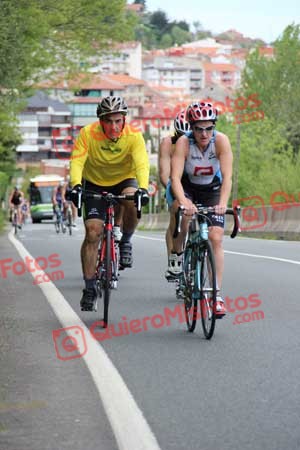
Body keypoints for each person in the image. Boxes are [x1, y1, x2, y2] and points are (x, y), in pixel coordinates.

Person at [70, 96, 150, 311]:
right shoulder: (87, 133)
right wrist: (76, 185)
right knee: (92, 232)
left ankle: (126, 241)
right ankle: (89, 288)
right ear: (100, 121)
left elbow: (142, 163)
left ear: (124, 119)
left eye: (118, 121)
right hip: (94, 182)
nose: (114, 126)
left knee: (133, 201)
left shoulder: (133, 136)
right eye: (108, 121)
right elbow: (77, 161)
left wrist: (143, 187)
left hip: (125, 179)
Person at [167, 101, 233, 318]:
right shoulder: (184, 143)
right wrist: (184, 202)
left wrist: (222, 203)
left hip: (211, 189)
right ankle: (179, 255)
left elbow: (227, 178)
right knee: (184, 218)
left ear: (213, 127)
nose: (204, 134)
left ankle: (217, 296)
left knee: (216, 237)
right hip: (188, 187)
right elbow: (174, 178)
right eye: (198, 128)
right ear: (191, 128)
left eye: (208, 128)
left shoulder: (221, 141)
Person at [158, 109, 190, 278]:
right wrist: (175, 191)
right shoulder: (167, 143)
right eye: (180, 137)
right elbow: (164, 174)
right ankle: (174, 256)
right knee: (176, 215)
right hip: (173, 182)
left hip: (194, 185)